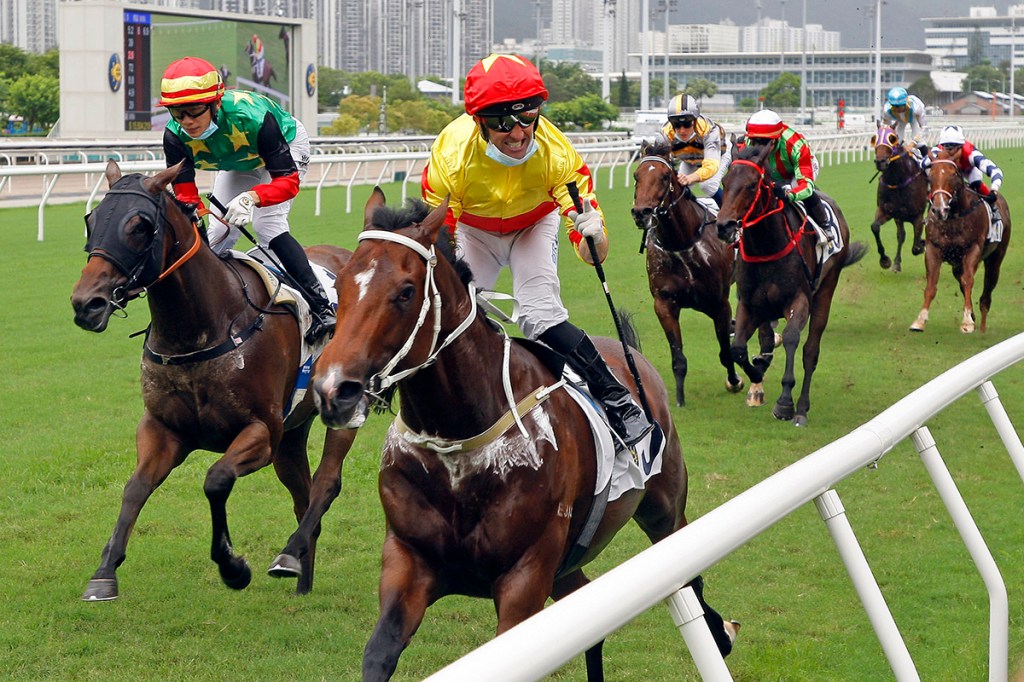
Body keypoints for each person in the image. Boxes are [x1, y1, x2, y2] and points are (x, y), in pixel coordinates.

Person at [421, 53, 654, 448]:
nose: (517, 134)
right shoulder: (450, 154)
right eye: (501, 123)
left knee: (541, 315)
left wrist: (593, 236)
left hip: (533, 225)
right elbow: (441, 237)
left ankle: (617, 400)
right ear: (479, 122)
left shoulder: (557, 152)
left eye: (527, 117)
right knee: (458, 313)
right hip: (473, 230)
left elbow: (591, 252)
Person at [158, 56, 335, 344]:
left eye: (194, 111)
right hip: (239, 160)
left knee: (268, 226)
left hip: (284, 147)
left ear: (216, 103)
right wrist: (196, 216)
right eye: (178, 114)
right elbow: (186, 197)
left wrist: (252, 198)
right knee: (215, 235)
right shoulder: (175, 136)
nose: (187, 122)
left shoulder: (253, 116)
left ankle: (322, 306)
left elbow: (287, 182)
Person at [742, 109, 840, 249]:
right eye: (755, 141)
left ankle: (825, 227)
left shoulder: (796, 145)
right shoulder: (749, 142)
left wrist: (790, 195)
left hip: (796, 172)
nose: (759, 148)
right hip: (771, 172)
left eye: (764, 142)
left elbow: (805, 185)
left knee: (796, 191)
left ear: (776, 138)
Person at [655, 93, 731, 206]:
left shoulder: (709, 130)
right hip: (689, 159)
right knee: (678, 187)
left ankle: (731, 217)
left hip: (719, 154)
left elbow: (711, 166)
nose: (682, 130)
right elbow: (658, 163)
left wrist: (691, 178)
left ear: (695, 120)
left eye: (687, 124)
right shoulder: (665, 134)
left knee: (707, 185)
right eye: (677, 125)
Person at [923, 125, 1004, 228]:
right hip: (947, 172)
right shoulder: (937, 150)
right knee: (938, 185)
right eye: (946, 146)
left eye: (952, 147)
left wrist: (994, 189)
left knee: (976, 183)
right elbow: (923, 164)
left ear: (960, 146)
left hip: (968, 171)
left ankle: (993, 208)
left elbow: (996, 171)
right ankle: (930, 216)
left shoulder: (971, 154)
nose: (948, 151)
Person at [883, 87, 929, 157]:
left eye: (898, 106)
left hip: (914, 118)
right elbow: (887, 129)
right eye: (893, 106)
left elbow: (924, 127)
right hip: (899, 120)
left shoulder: (916, 108)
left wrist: (912, 144)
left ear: (905, 103)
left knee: (919, 142)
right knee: (896, 141)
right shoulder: (886, 111)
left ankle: (928, 163)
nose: (896, 109)